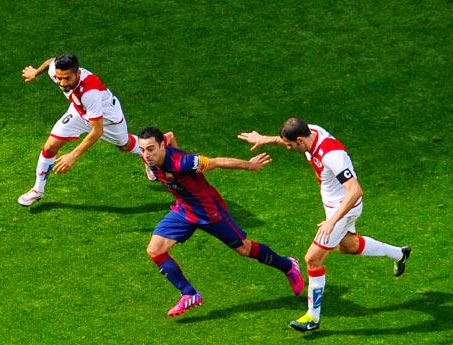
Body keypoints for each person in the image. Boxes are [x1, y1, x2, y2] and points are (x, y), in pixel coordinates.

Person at [238, 118, 411, 332]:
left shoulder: (332, 156)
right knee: (349, 246)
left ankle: (313, 317)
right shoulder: (311, 133)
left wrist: (332, 221)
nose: (289, 148)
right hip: (334, 207)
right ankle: (399, 254)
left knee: (313, 258)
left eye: (291, 145)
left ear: (300, 140)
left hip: (344, 208)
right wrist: (265, 139)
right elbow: (287, 141)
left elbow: (355, 190)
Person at [138, 127, 303, 317]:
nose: (146, 154)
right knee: (155, 250)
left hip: (209, 211)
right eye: (143, 150)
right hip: (184, 210)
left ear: (161, 146)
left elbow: (216, 162)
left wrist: (249, 166)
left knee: (244, 249)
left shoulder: (183, 162)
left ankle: (288, 265)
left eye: (151, 149)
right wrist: (150, 166)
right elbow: (170, 135)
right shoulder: (150, 157)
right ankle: (189, 294)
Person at [17, 53, 171, 206]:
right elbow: (52, 61)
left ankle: (153, 152)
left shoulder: (89, 92)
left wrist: (73, 155)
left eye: (67, 78)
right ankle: (38, 190)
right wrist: (36, 72)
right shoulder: (59, 72)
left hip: (108, 120)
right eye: (59, 78)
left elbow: (97, 131)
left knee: (124, 145)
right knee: (50, 146)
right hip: (79, 112)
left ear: (77, 73)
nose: (62, 83)